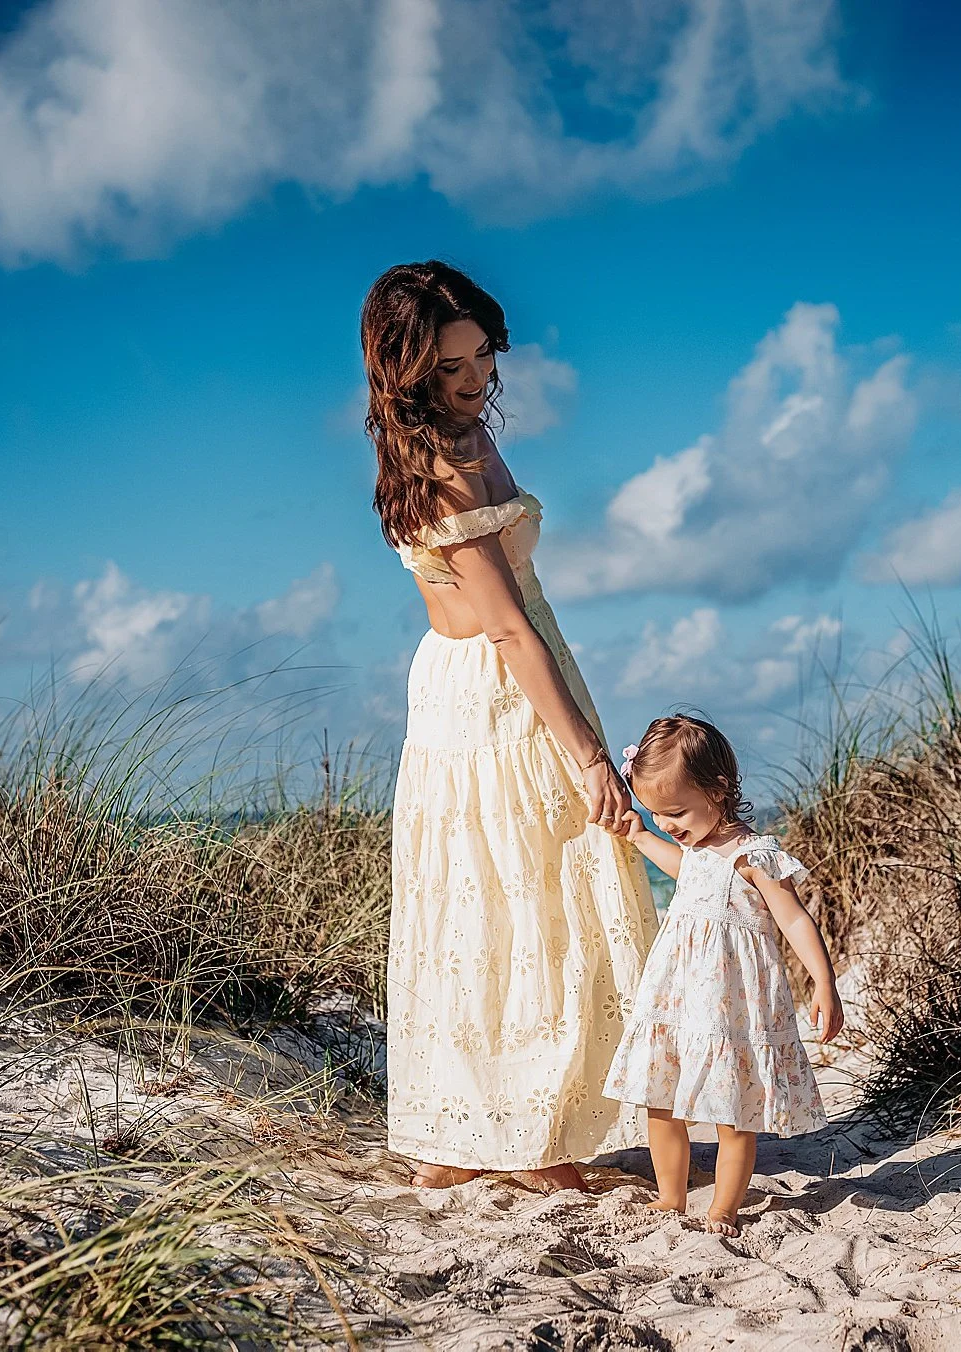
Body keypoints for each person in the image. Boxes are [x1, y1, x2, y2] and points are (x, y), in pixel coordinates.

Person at [364, 260, 660, 1192]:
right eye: (451, 368)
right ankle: (506, 1140)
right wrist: (589, 756)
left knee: (526, 894)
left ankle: (518, 1132)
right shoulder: (437, 464)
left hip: (520, 668)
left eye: (482, 356)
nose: (474, 380)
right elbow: (500, 622)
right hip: (489, 689)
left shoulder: (464, 434)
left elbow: (520, 610)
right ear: (407, 370)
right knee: (517, 897)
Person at [603, 714, 845, 1233]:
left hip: (732, 1001)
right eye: (656, 812)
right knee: (660, 1097)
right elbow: (687, 871)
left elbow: (795, 919)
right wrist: (643, 837)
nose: (668, 823)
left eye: (675, 812)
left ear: (718, 789)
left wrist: (824, 982)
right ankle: (671, 1197)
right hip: (681, 995)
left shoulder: (753, 855)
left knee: (734, 1112)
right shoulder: (694, 846)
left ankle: (723, 1208)